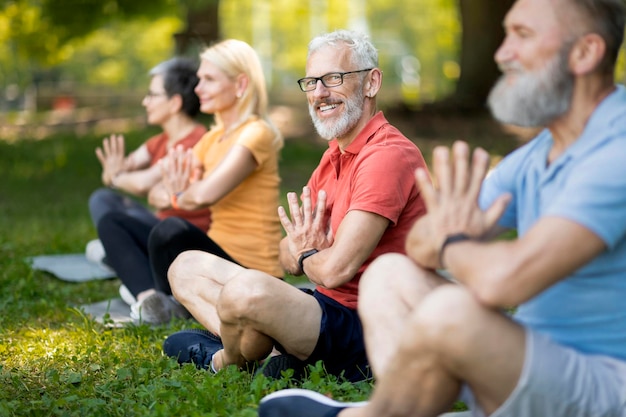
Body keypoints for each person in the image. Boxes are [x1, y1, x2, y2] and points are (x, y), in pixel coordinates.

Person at [257, 0, 626, 416]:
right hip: (534, 356)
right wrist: (448, 239)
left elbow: (502, 281)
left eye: (522, 35)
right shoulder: (543, 149)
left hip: (604, 386)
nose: (503, 54)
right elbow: (420, 244)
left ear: (585, 52)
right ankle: (406, 404)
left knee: (451, 307)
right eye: (505, 35)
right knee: (389, 274)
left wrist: (451, 242)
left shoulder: (616, 149)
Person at [161, 29, 429, 383]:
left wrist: (306, 254)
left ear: (371, 83)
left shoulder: (387, 156)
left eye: (333, 78)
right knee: (185, 267)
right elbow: (284, 255)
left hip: (366, 327)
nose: (319, 93)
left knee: (245, 292)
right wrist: (305, 253)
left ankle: (226, 359)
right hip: (321, 307)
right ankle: (271, 350)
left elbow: (334, 270)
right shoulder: (335, 154)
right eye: (312, 82)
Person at [111, 38, 285, 325]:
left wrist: (178, 192)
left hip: (252, 270)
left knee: (170, 230)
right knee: (116, 220)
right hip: (215, 258)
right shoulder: (210, 139)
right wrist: (177, 192)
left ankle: (173, 300)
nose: (197, 88)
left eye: (208, 80)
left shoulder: (256, 133)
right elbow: (156, 194)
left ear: (241, 85)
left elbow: (205, 194)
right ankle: (154, 299)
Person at [88, 57, 210, 295]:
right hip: (157, 224)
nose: (145, 102)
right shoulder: (160, 141)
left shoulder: (195, 141)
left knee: (118, 217)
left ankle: (120, 256)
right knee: (103, 199)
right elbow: (127, 165)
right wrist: (115, 173)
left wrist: (114, 177)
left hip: (181, 235)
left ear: (174, 103)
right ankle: (120, 254)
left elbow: (143, 183)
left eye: (152, 95)